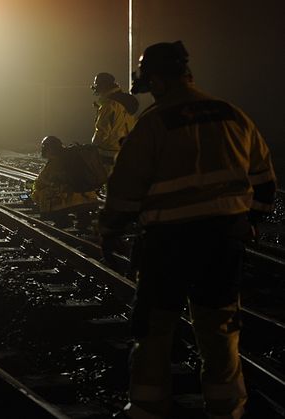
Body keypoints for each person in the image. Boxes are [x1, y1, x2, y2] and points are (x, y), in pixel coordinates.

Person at [99, 41, 277, 419]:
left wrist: (110, 230)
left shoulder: (153, 124)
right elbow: (264, 179)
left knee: (155, 330)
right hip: (222, 242)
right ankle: (226, 410)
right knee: (219, 328)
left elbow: (124, 189)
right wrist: (253, 222)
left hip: (168, 245)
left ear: (156, 82)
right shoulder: (232, 115)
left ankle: (147, 409)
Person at [31, 136, 99, 229]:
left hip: (70, 193)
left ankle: (61, 219)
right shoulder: (73, 154)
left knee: (43, 193)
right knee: (77, 196)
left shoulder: (56, 161)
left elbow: (43, 179)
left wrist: (40, 186)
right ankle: (83, 219)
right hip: (88, 195)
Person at [91, 72, 138, 172]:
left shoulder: (109, 105)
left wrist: (92, 147)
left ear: (103, 86)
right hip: (127, 149)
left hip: (109, 154)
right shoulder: (125, 102)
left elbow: (102, 131)